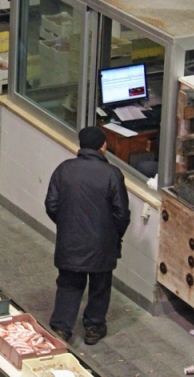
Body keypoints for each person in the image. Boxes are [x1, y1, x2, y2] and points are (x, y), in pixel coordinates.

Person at [45, 126, 131, 346]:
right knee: (100, 286)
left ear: (81, 145)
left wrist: (67, 226)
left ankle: (61, 328)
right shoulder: (112, 174)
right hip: (102, 244)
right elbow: (122, 214)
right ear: (103, 146)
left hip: (70, 242)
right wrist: (113, 235)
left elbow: (51, 205)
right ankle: (93, 327)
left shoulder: (63, 170)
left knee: (69, 284)